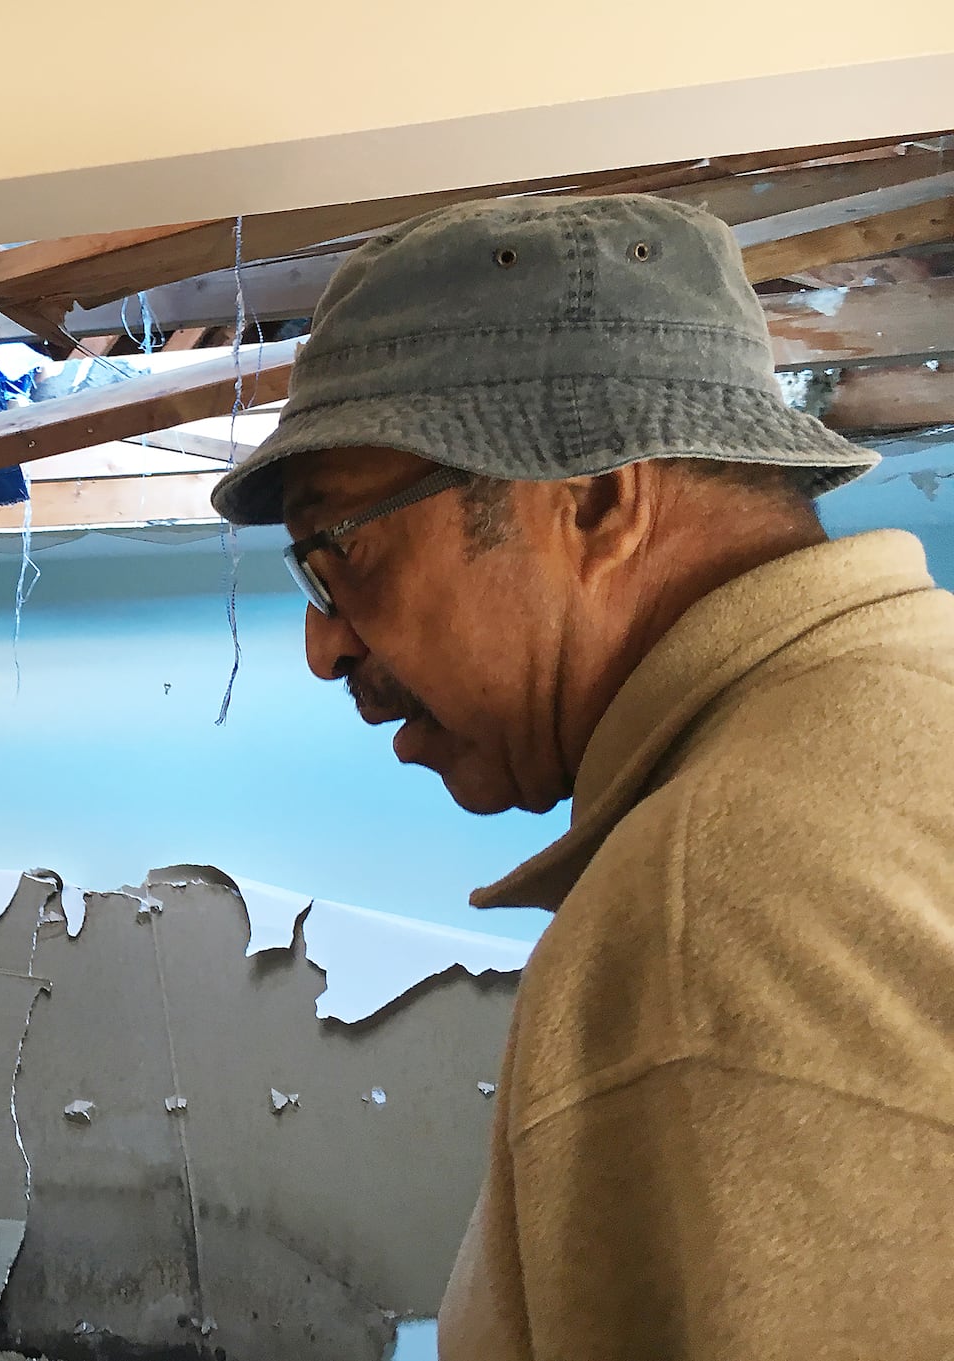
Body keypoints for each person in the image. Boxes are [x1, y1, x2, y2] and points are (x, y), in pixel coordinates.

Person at [210, 195, 954, 1359]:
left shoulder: (714, 898)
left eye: (340, 547)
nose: (325, 645)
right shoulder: (906, 710)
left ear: (597, 497)